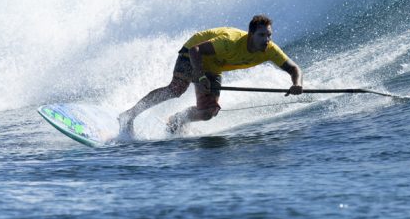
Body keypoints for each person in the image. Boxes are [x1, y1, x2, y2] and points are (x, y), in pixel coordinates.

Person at [118, 14, 303, 136]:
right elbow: (195, 50)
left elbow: (294, 68)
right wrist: (199, 77)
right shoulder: (230, 42)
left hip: (213, 65)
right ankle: (128, 115)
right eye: (262, 36)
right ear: (250, 35)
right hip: (193, 52)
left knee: (208, 111)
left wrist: (297, 84)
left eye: (269, 35)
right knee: (176, 89)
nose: (267, 40)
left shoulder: (269, 50)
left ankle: (176, 120)